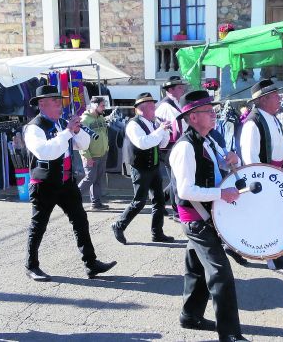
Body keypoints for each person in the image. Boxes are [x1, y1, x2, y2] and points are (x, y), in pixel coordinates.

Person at [170, 90, 249, 342]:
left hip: (204, 214)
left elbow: (213, 169)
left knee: (195, 269)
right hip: (196, 218)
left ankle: (189, 315)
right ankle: (229, 334)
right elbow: (185, 190)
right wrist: (221, 193)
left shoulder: (207, 139)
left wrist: (230, 161)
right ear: (193, 117)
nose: (214, 113)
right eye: (207, 111)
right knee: (220, 275)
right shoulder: (185, 147)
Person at [24, 85, 116, 281]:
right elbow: (45, 152)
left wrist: (77, 130)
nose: (60, 105)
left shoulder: (60, 124)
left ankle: (91, 263)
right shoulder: (34, 127)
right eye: (55, 101)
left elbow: (83, 144)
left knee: (80, 220)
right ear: (42, 104)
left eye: (60, 101)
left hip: (66, 181)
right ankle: (31, 265)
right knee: (38, 225)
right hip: (45, 183)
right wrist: (67, 132)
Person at [239, 79, 283, 277]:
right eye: (276, 96)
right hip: (264, 180)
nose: (280, 99)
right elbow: (250, 158)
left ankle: (230, 247)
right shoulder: (253, 123)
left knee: (267, 219)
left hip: (275, 175)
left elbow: (275, 145)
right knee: (271, 221)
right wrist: (260, 184)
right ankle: (275, 260)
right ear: (263, 100)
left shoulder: (272, 117)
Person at [111, 92, 175, 244]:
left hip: (153, 166)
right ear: (141, 109)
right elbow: (143, 143)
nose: (155, 111)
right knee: (139, 202)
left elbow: (162, 144)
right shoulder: (133, 124)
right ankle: (118, 225)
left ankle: (157, 233)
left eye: (154, 107)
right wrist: (160, 130)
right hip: (140, 168)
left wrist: (164, 131)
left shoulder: (153, 123)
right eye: (152, 108)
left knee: (159, 201)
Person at [155, 75, 187, 220]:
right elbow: (168, 129)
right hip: (169, 148)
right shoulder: (165, 106)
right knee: (176, 179)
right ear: (171, 90)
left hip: (175, 146)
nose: (183, 89)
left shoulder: (175, 103)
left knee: (176, 178)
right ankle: (176, 211)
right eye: (179, 87)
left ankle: (159, 203)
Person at [78, 96, 110, 210]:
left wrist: (106, 148)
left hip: (102, 154)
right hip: (91, 156)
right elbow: (80, 140)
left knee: (97, 179)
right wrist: (87, 156)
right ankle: (72, 199)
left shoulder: (101, 118)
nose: (104, 108)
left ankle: (96, 203)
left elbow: (104, 134)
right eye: (102, 105)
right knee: (89, 178)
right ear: (94, 106)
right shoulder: (84, 120)